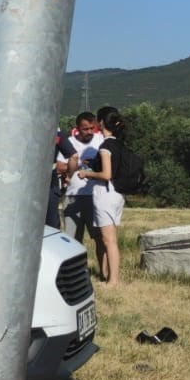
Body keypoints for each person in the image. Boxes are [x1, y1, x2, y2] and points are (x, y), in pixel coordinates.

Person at [84, 109, 128, 285]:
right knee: (111, 239)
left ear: (101, 123)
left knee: (108, 240)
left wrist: (86, 174)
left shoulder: (105, 147)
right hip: (118, 194)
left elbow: (106, 174)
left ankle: (113, 280)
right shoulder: (119, 144)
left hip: (106, 194)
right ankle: (111, 276)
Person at [60, 111, 102, 245]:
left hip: (95, 195)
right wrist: (78, 164)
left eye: (92, 128)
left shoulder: (100, 140)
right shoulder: (69, 143)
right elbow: (60, 166)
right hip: (73, 195)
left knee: (100, 239)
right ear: (77, 129)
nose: (89, 132)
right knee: (71, 240)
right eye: (85, 129)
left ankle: (102, 267)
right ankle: (76, 266)